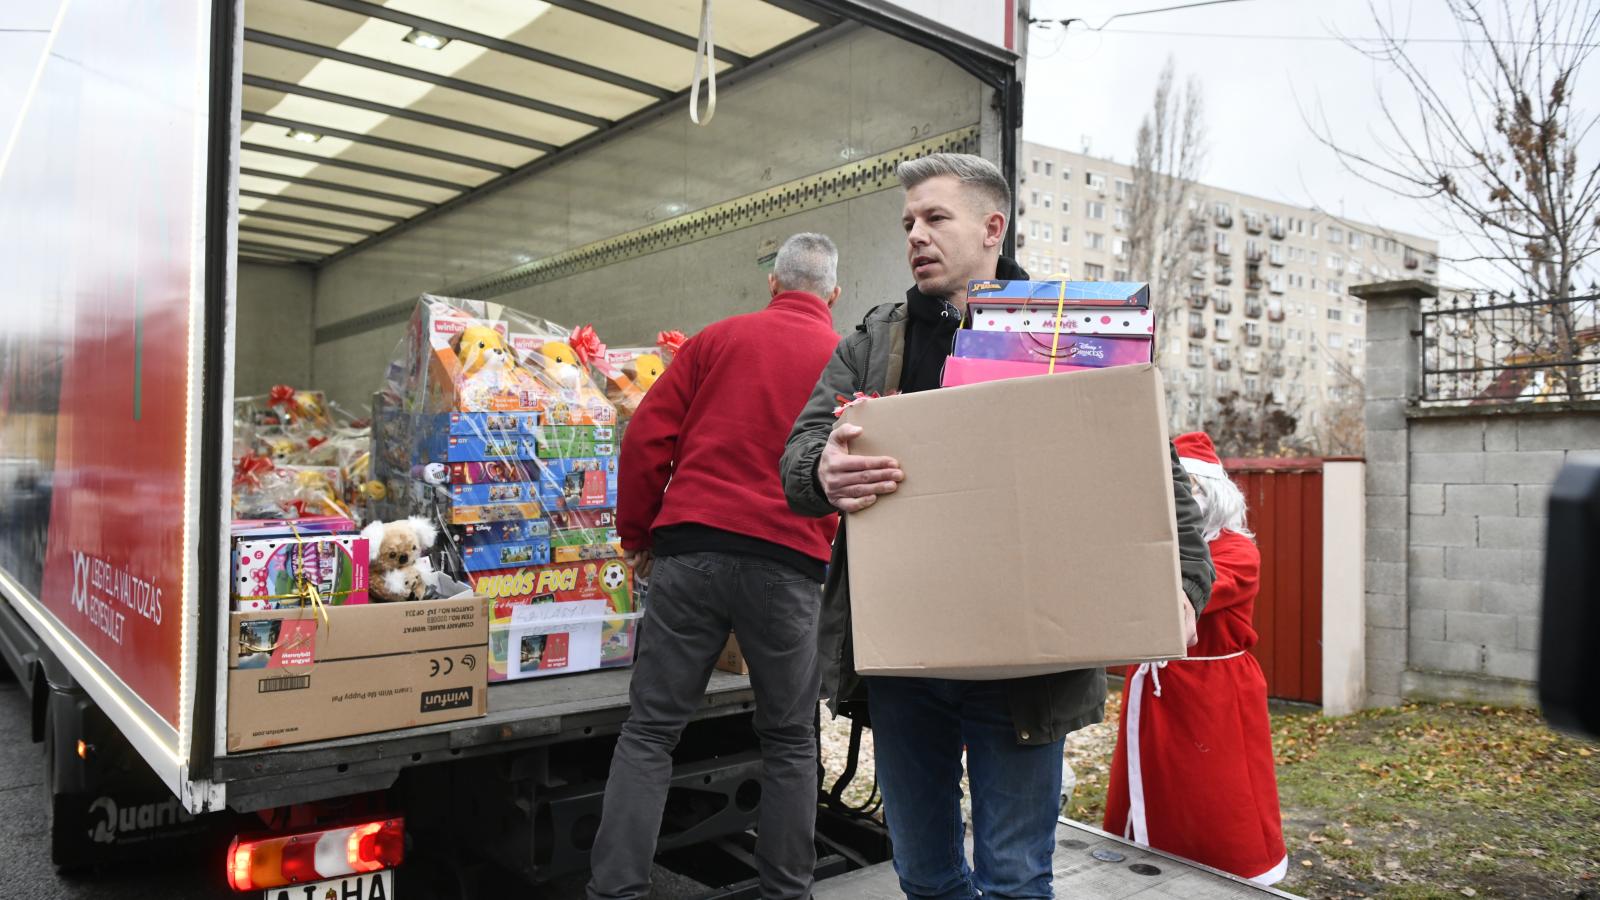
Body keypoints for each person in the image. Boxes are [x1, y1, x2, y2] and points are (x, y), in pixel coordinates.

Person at [779, 153, 1215, 899]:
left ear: (992, 227)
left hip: (1029, 664)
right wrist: (822, 471)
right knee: (923, 874)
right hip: (907, 659)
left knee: (1014, 878)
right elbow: (797, 462)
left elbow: (1149, 469)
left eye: (935, 217)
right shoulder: (873, 344)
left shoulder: (1067, 334)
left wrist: (1182, 585)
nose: (916, 233)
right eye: (908, 222)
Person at [588, 233, 844, 900]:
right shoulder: (844, 359)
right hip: (789, 565)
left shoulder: (717, 339)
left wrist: (637, 533)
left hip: (690, 551)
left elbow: (647, 435)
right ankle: (787, 892)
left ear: (773, 286)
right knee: (790, 741)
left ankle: (614, 891)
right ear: (833, 296)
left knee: (648, 733)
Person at [1103, 431, 1288, 885]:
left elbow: (1186, 595)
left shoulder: (1236, 551)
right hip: (1157, 683)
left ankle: (1227, 873)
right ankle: (1145, 864)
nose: (1186, 498)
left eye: (1193, 489)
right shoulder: (1159, 549)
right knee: (1152, 784)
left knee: (1215, 792)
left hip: (1214, 691)